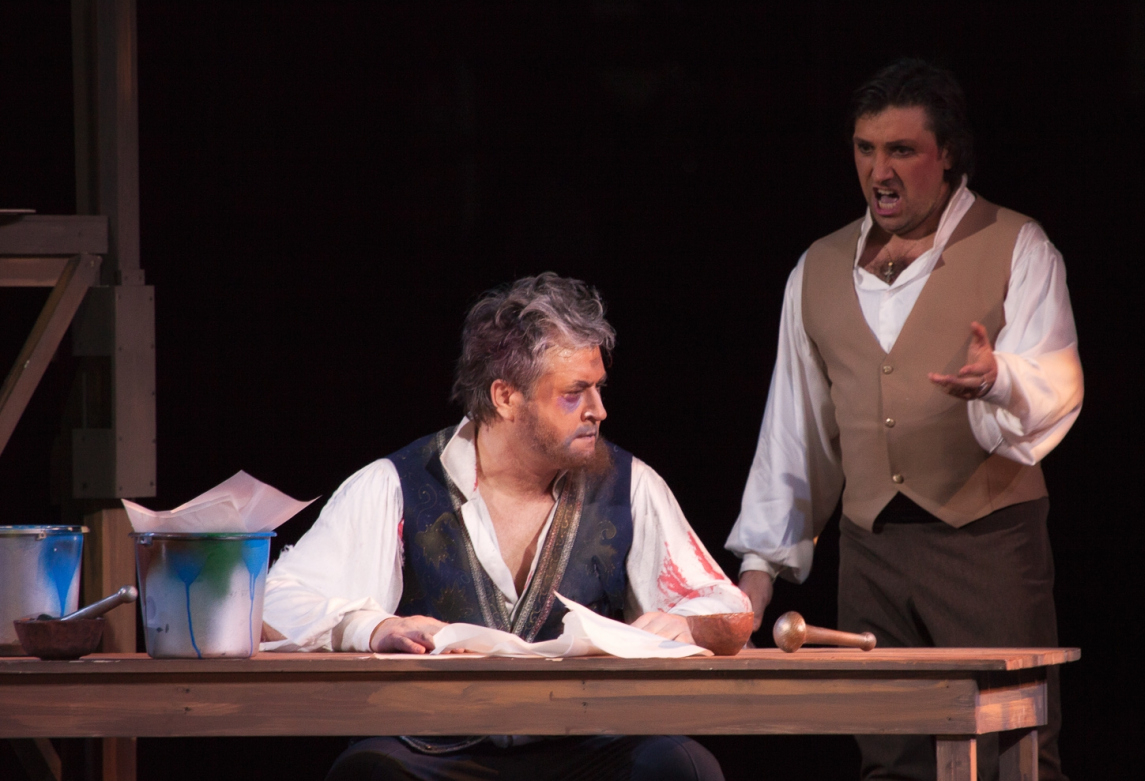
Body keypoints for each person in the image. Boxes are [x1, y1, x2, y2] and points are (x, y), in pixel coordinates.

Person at [726, 59, 1083, 781]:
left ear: (946, 153)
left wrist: (1000, 378)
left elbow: (1058, 379)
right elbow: (795, 434)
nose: (879, 171)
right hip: (872, 556)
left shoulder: (1016, 243)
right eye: (865, 149)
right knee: (890, 760)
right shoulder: (817, 268)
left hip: (986, 548)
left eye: (901, 150)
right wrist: (756, 579)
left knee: (1013, 759)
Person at [264, 272, 748, 781]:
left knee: (683, 767)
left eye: (598, 388)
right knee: (369, 772)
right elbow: (275, 600)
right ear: (505, 396)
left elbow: (729, 607)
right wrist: (372, 627)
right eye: (575, 393)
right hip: (436, 748)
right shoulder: (396, 484)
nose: (599, 411)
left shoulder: (629, 485)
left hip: (587, 743)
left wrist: (689, 624)